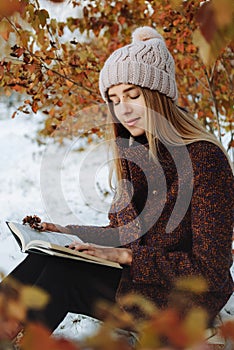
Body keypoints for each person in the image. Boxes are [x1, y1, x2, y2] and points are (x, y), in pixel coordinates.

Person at [2, 26, 234, 338]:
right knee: (44, 258)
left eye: (133, 95)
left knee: (61, 276)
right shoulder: (134, 152)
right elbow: (123, 234)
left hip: (183, 301)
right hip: (139, 278)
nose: (122, 108)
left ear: (159, 96)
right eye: (114, 99)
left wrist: (126, 256)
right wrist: (67, 234)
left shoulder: (205, 160)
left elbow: (210, 269)